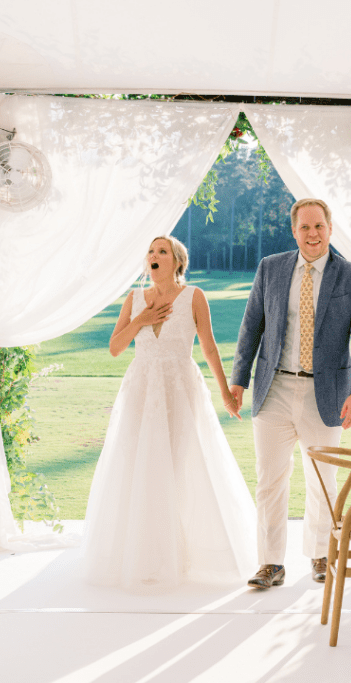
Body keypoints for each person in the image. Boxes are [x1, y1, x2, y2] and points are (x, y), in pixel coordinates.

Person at [83, 235, 256, 588]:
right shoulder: (134, 299)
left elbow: (208, 347)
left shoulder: (194, 296)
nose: (154, 255)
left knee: (179, 468)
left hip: (180, 390)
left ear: (177, 262)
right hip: (142, 392)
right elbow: (115, 348)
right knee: (139, 468)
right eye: (151, 251)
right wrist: (141, 319)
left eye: (162, 251)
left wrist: (226, 392)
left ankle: (180, 554)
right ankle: (143, 557)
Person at [230, 198, 351, 589]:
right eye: (305, 227)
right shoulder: (271, 268)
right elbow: (251, 326)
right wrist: (238, 380)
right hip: (274, 388)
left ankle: (320, 554)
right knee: (270, 480)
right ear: (294, 231)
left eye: (319, 226)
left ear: (330, 229)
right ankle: (270, 563)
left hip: (326, 393)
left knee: (323, 479)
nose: (312, 234)